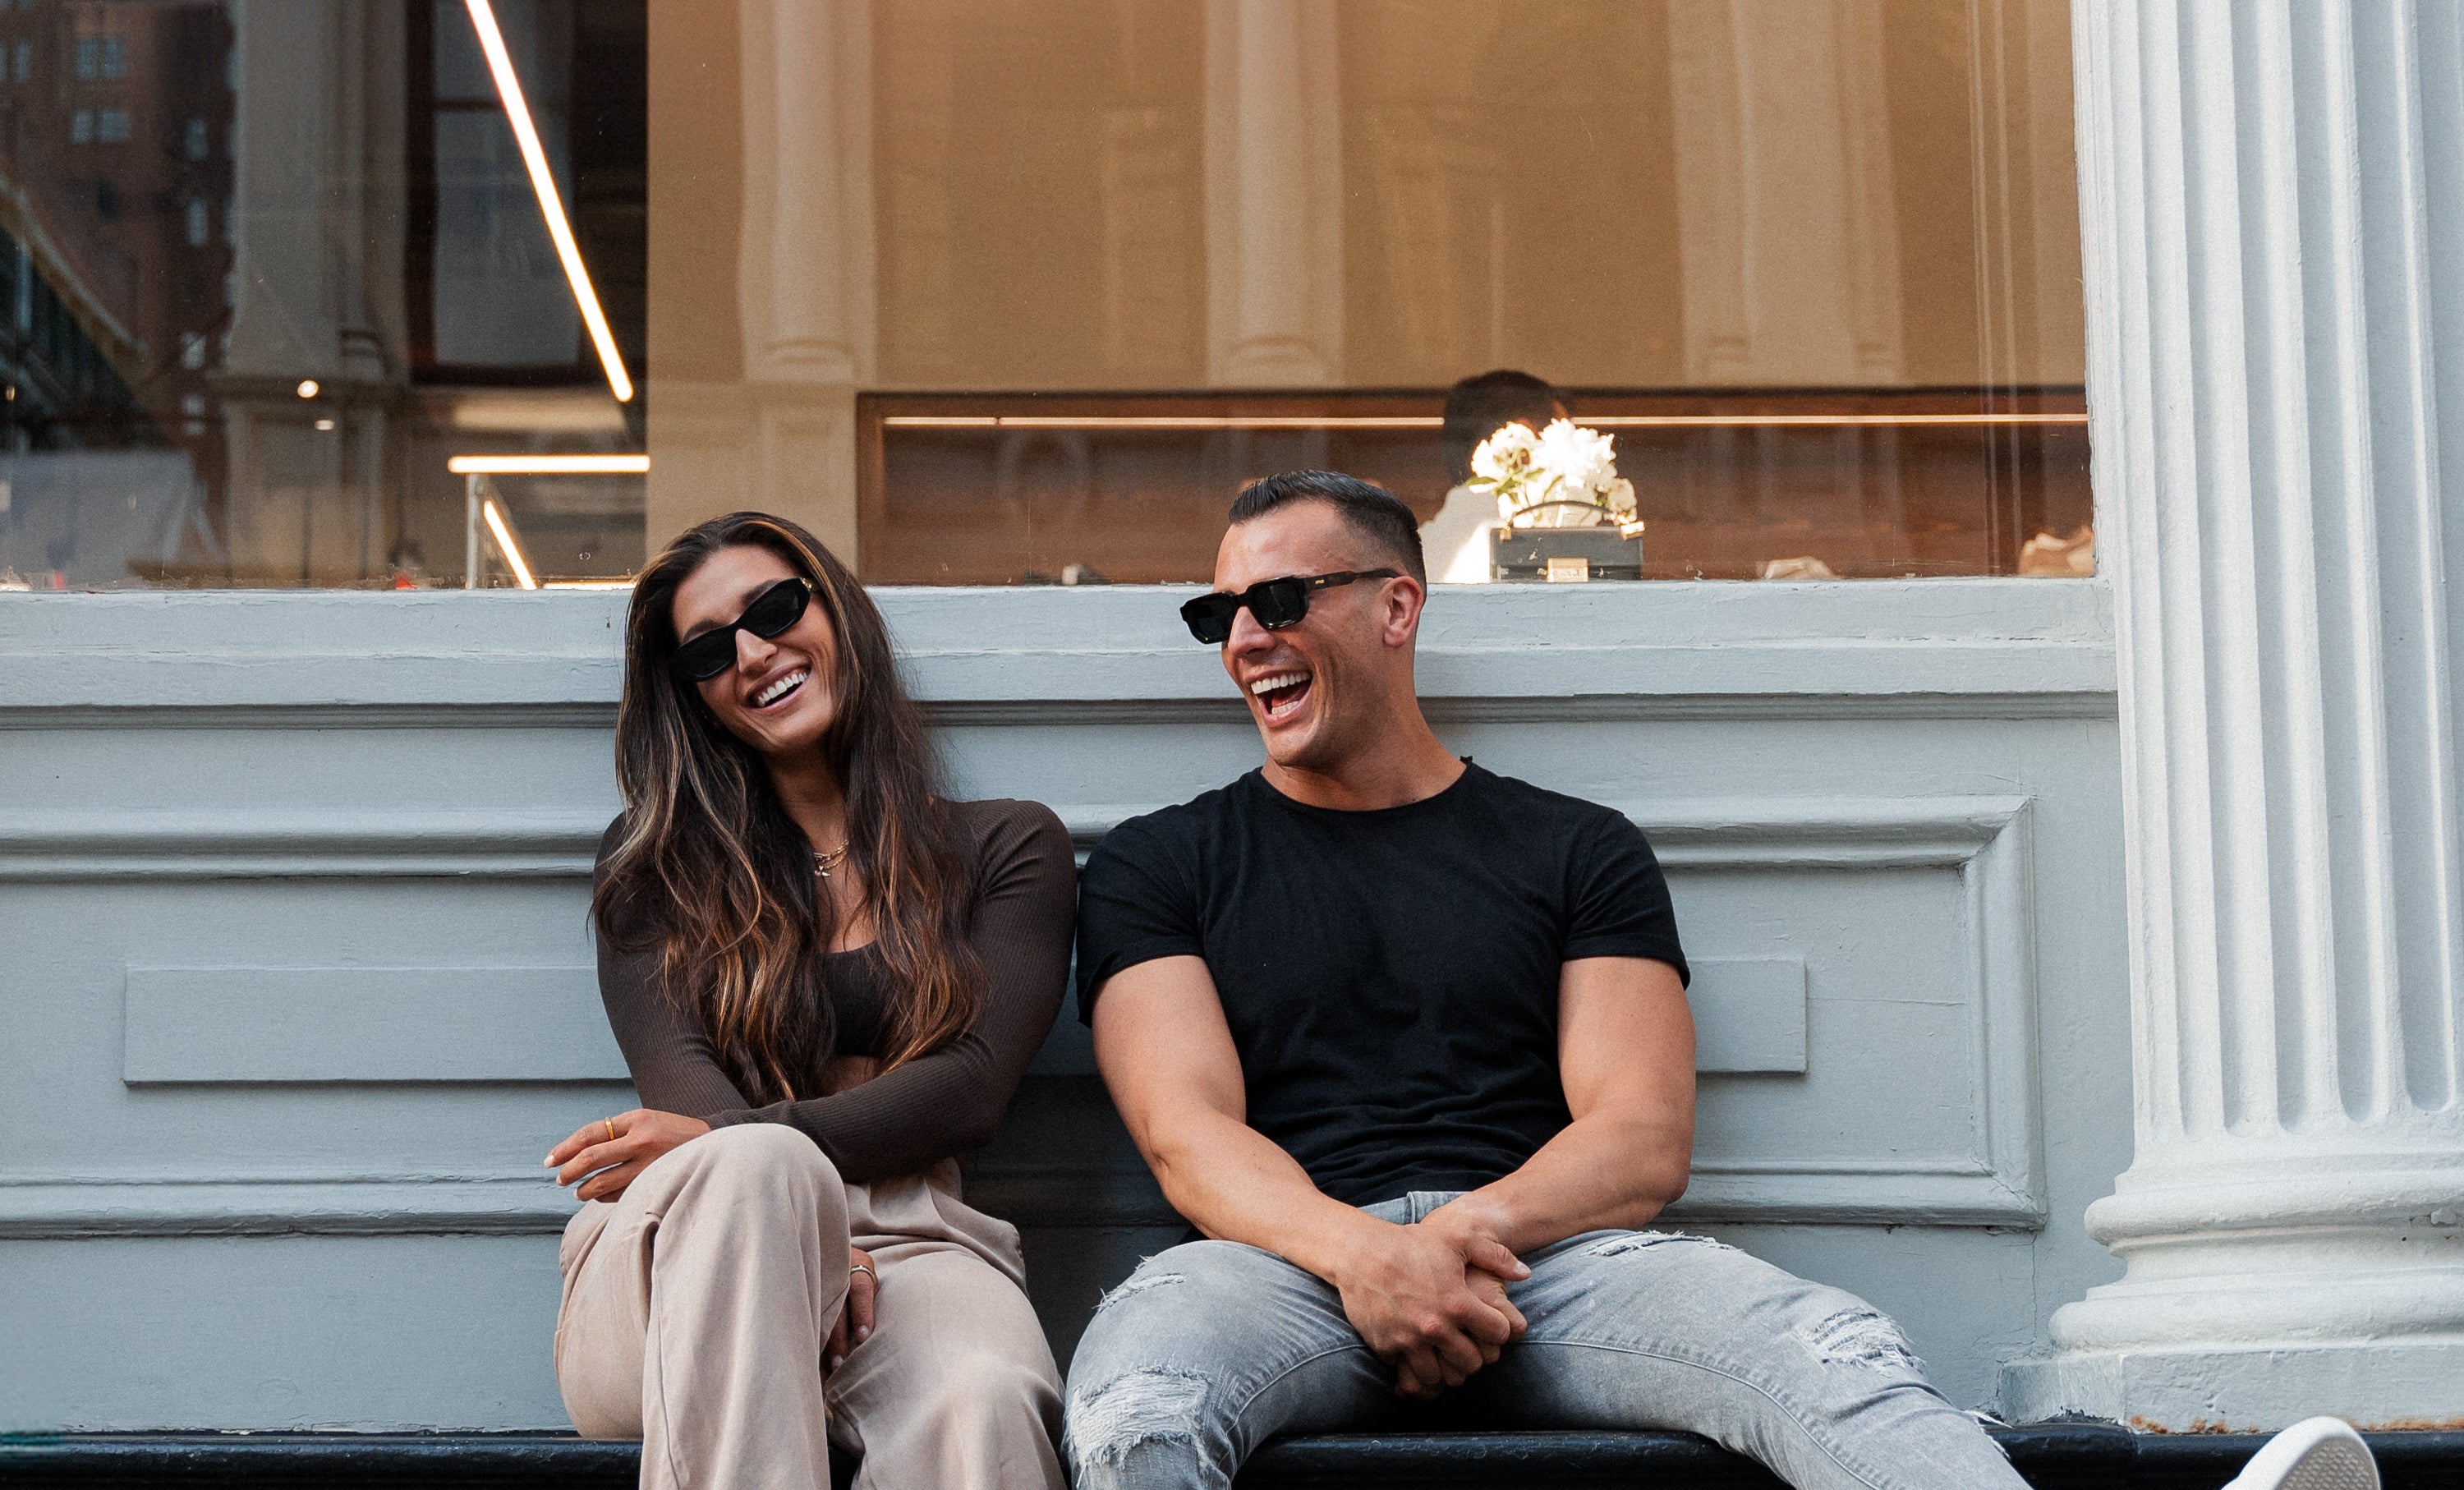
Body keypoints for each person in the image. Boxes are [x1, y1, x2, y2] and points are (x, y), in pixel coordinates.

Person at [1061, 470, 2030, 1489]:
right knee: (1139, 1408)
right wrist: (1366, 1257)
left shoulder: (1574, 847)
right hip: (1279, 1270)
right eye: (1220, 614)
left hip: (1549, 1264)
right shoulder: (1158, 863)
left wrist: (1449, 1245)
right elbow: (1188, 1137)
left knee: (1835, 1356)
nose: (1246, 638)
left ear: (1398, 605)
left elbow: (1641, 1136)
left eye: (1282, 600)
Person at [545, 512, 1073, 1490]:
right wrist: (791, 1220)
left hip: (915, 1248)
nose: (753, 653)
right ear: (696, 698)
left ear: (838, 612)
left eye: (776, 608)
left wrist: (820, 1229)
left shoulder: (1006, 847)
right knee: (750, 1165)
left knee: (987, 1401)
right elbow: (692, 1097)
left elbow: (969, 1089)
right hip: (679, 1256)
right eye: (709, 649)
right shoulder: (654, 867)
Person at [1417, 370, 1565, 584]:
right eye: (1566, 439)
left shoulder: (1412, 553)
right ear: (1520, 442)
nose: (1572, 457)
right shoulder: (1541, 550)